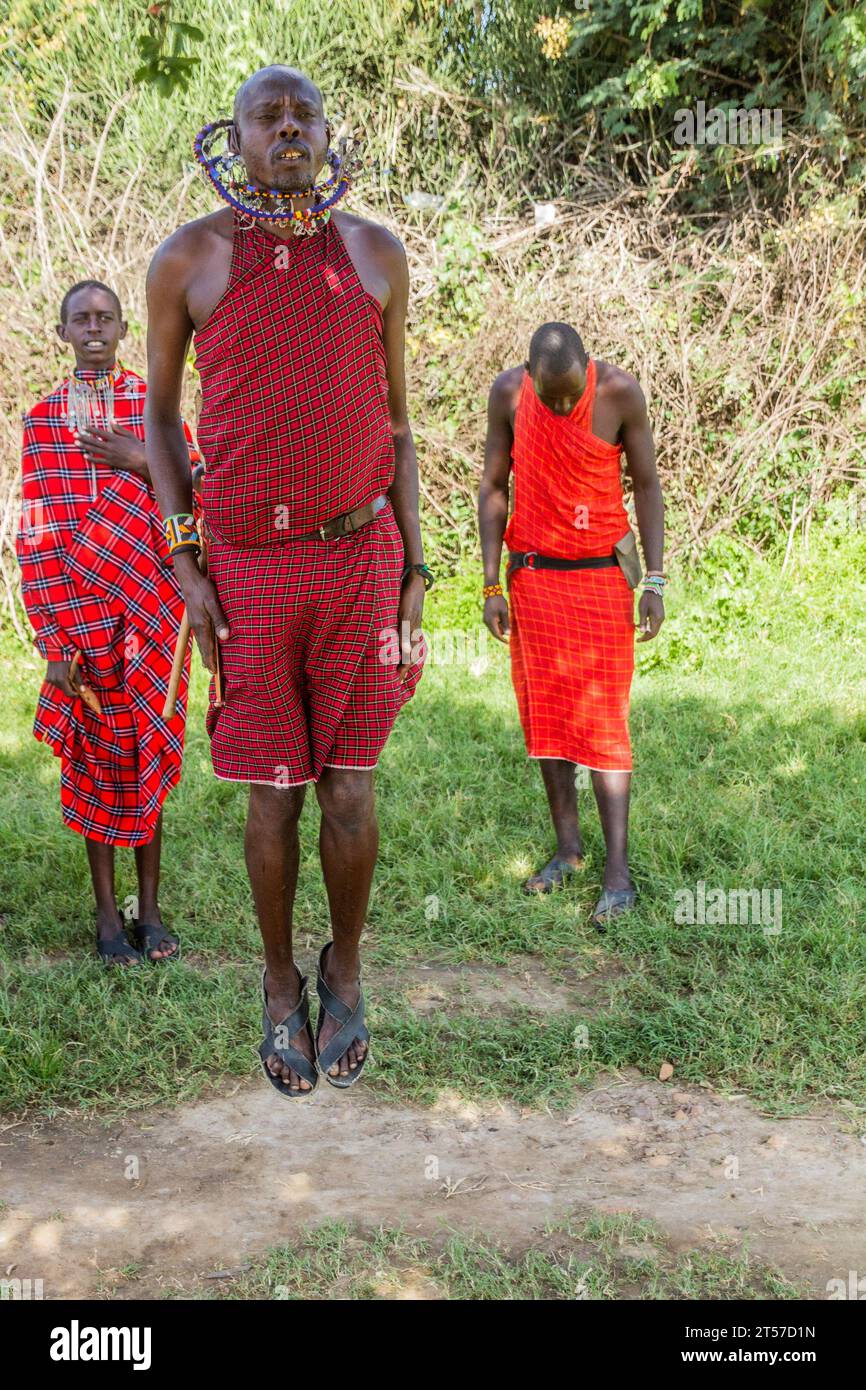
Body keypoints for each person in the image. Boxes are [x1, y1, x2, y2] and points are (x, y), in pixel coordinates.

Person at [144, 66, 428, 1096]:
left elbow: (397, 426)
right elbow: (162, 425)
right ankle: (275, 983)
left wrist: (417, 564)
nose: (289, 128)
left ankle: (342, 966)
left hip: (361, 556)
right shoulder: (188, 260)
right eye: (268, 115)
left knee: (350, 790)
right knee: (272, 797)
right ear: (236, 134)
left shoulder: (375, 254)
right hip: (248, 570)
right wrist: (184, 560)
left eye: (303, 112)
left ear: (324, 131)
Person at [16, 280, 201, 965]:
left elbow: (202, 483)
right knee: (95, 762)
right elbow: (36, 533)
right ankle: (104, 916)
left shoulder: (156, 413)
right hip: (81, 620)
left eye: (105, 318)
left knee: (147, 752)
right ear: (62, 332)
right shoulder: (40, 422)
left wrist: (144, 458)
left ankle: (149, 912)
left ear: (124, 328)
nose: (94, 328)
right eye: (80, 319)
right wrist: (54, 641)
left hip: (155, 613)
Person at [479, 322, 665, 926]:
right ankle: (568, 849)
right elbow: (492, 487)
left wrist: (655, 580)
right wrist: (489, 582)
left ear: (588, 370)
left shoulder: (619, 394)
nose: (560, 408)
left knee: (605, 723)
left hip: (599, 581)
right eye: (549, 397)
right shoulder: (508, 394)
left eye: (568, 396)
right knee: (547, 717)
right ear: (529, 376)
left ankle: (618, 871)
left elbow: (648, 485)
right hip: (533, 581)